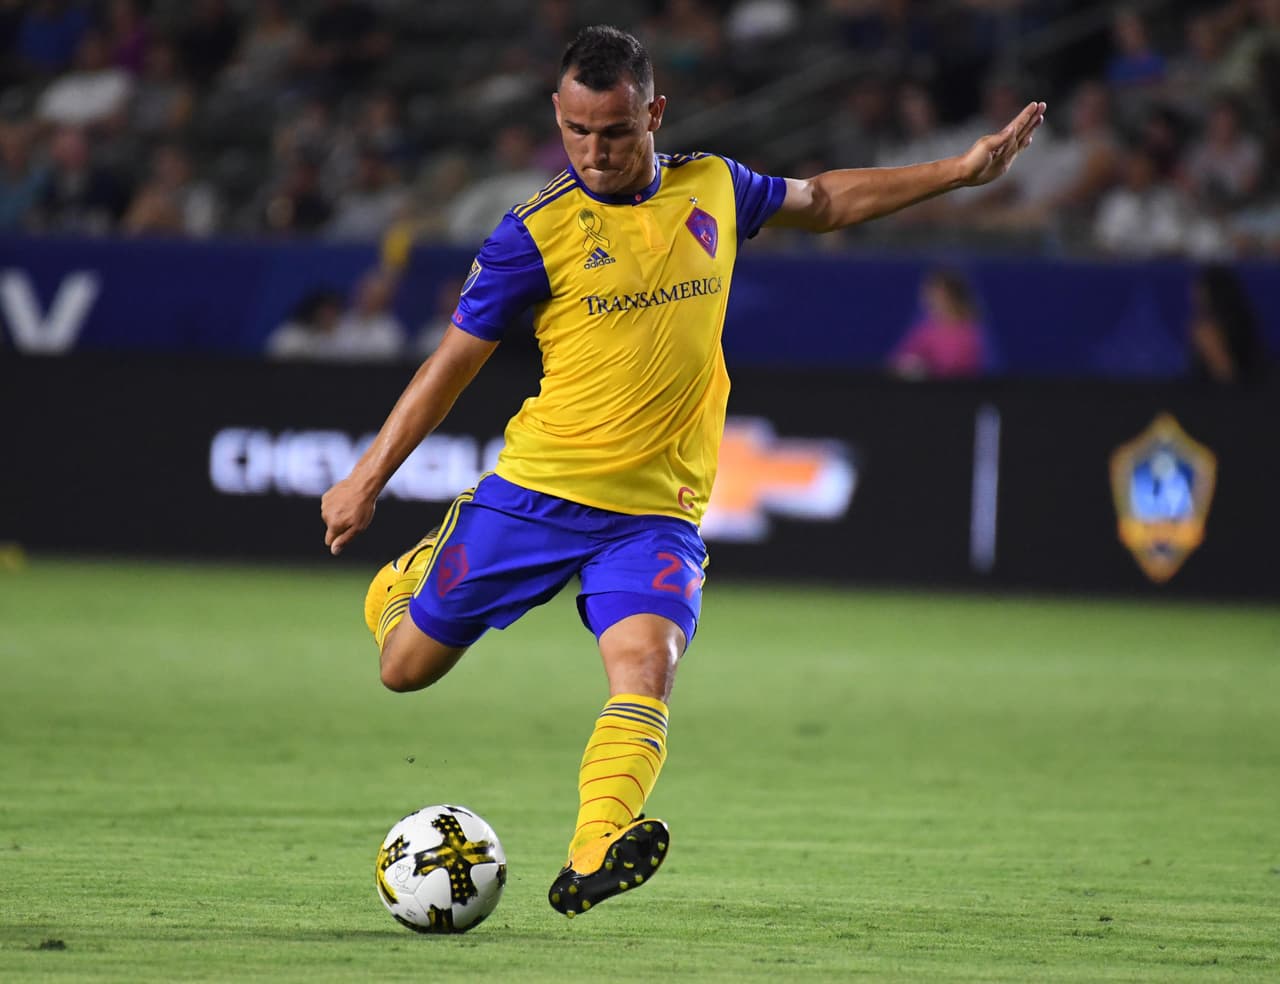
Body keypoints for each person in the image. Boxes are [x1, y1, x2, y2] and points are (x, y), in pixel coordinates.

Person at [321, 24, 1043, 919]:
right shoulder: (532, 235)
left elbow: (824, 199)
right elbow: (451, 365)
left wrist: (958, 172)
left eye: (616, 131)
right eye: (577, 131)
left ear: (654, 111)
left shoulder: (717, 186)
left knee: (646, 666)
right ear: (558, 114)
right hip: (539, 493)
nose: (595, 150)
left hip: (657, 514)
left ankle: (593, 850)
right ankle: (404, 581)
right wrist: (368, 477)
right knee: (404, 670)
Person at [889, 269, 987, 379]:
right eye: (928, 295)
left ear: (951, 296)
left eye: (936, 294)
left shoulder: (970, 333)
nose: (929, 300)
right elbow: (898, 361)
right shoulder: (925, 330)